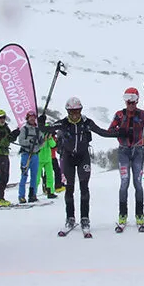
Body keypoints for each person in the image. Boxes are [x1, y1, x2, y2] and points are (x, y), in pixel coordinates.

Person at [38, 97, 117, 236]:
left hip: (83, 157)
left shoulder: (86, 122)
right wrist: (41, 123)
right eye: (72, 111)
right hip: (68, 158)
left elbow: (102, 132)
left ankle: (85, 219)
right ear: (68, 111)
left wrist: (120, 133)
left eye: (77, 111)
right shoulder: (63, 123)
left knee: (84, 188)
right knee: (69, 188)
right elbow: (46, 129)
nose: (75, 114)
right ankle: (70, 218)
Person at [107, 87, 144, 229]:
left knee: (138, 183)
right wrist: (119, 131)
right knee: (124, 182)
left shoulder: (142, 114)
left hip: (138, 151)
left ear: (137, 100)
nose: (130, 103)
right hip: (123, 151)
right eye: (128, 100)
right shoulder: (120, 115)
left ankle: (139, 215)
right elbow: (110, 131)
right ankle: (123, 214)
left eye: (133, 100)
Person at [0, 109, 19, 207]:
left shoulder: (5, 127)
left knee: (6, 176)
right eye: (0, 118)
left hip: (5, 153)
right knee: (2, 176)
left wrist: (14, 134)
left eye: (3, 117)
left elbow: (8, 139)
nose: (2, 120)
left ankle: (0, 197)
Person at [17, 111, 43, 204]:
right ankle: (21, 196)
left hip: (35, 155)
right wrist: (30, 141)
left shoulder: (37, 130)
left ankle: (32, 195)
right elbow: (21, 141)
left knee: (34, 176)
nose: (32, 119)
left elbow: (41, 142)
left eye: (33, 117)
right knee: (24, 175)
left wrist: (37, 146)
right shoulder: (24, 129)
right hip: (26, 155)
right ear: (27, 118)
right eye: (30, 117)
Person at [36, 130, 58, 199]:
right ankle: (33, 193)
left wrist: (50, 138)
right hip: (39, 158)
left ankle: (50, 191)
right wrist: (44, 140)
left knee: (50, 176)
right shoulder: (37, 131)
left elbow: (53, 145)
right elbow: (38, 146)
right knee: (37, 177)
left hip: (48, 158)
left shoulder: (48, 130)